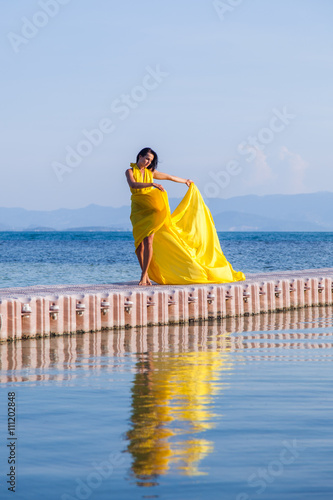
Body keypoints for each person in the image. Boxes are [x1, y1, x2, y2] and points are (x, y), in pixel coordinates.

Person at [125, 147, 245, 286]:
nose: (147, 162)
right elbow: (132, 184)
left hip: (152, 210)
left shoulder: (150, 172)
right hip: (138, 210)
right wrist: (152, 183)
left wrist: (185, 181)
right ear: (139, 156)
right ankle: (144, 273)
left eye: (150, 160)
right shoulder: (129, 171)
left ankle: (144, 275)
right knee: (139, 245)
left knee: (149, 241)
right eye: (146, 158)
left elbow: (169, 177)